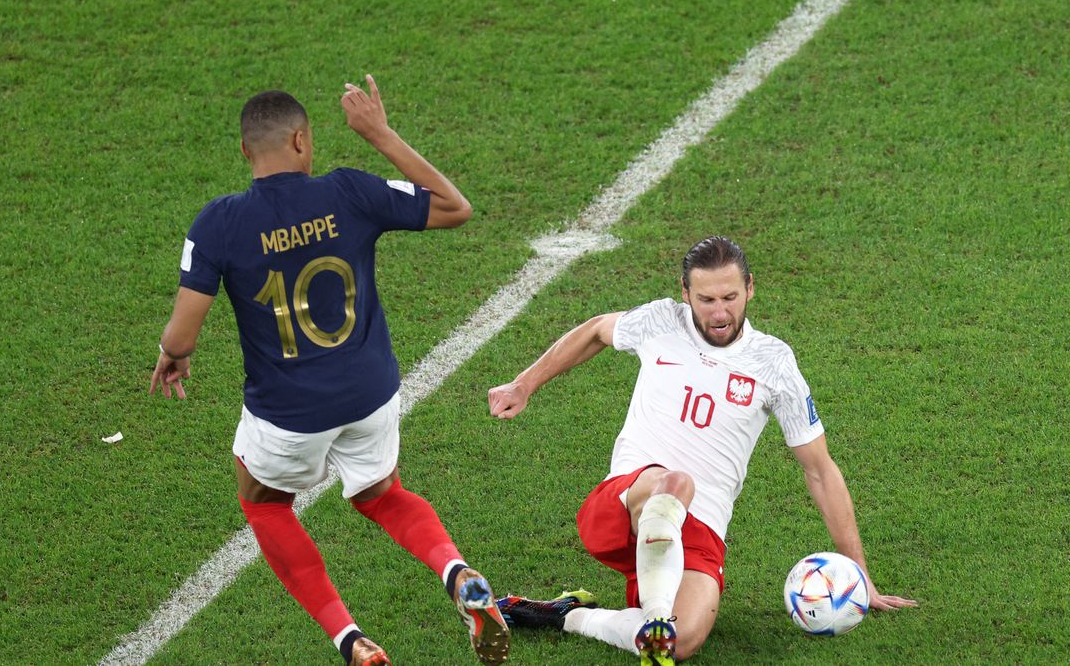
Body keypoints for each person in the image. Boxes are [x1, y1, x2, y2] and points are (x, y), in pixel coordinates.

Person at [149, 78, 509, 666]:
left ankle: (350, 639)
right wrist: (379, 133)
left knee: (265, 504)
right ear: (300, 140)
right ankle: (455, 570)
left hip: (288, 414)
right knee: (382, 495)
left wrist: (174, 353)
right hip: (371, 397)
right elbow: (455, 207)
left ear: (245, 150)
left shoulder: (219, 222)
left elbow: (181, 337)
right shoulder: (348, 190)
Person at [487, 236, 916, 664]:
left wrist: (858, 573)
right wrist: (524, 384)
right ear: (685, 292)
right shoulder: (661, 322)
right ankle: (656, 612)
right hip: (627, 501)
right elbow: (597, 330)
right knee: (676, 483)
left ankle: (568, 616)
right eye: (706, 299)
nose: (720, 313)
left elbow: (819, 470)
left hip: (701, 527)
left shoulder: (774, 363)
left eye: (730, 297)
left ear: (750, 288)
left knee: (679, 642)